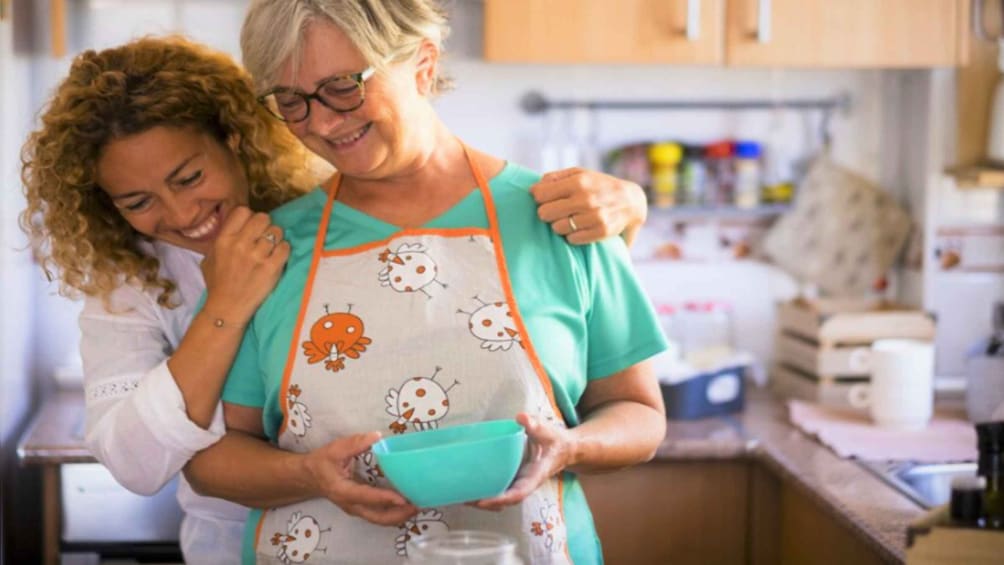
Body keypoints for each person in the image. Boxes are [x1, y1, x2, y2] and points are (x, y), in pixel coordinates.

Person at [19, 35, 651, 565]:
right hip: (238, 540)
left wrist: (631, 207)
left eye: (189, 178)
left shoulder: (322, 221)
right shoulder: (128, 285)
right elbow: (136, 460)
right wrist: (228, 305)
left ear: (235, 140)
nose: (181, 214)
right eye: (138, 202)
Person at [183, 1, 668, 563]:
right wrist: (307, 474)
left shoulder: (563, 216)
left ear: (422, 61)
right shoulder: (269, 249)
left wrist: (570, 447)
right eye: (291, 101)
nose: (319, 123)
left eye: (343, 86)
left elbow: (640, 414)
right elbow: (215, 459)